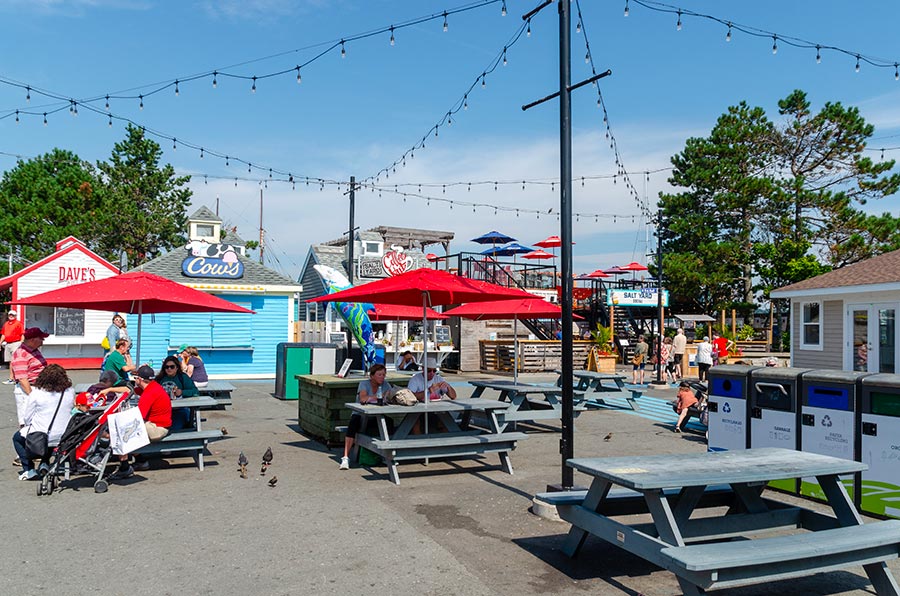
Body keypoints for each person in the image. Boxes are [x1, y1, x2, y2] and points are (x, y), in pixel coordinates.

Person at [12, 364, 75, 480]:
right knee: (50, 435)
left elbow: (27, 418)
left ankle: (29, 469)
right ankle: (44, 463)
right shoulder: (70, 392)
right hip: (64, 434)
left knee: (17, 438)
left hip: (42, 435)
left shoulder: (37, 393)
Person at [111, 365, 172, 478]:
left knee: (123, 432)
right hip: (159, 425)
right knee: (127, 430)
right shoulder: (153, 386)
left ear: (140, 379)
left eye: (136, 378)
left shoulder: (149, 393)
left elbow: (138, 416)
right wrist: (109, 389)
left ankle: (125, 468)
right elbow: (130, 390)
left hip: (157, 428)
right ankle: (141, 460)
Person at [340, 363, 395, 470]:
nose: (382, 377)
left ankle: (388, 455)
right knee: (353, 423)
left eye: (384, 375)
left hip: (376, 415)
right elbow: (363, 398)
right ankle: (345, 457)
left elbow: (390, 396)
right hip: (360, 415)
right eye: (379, 375)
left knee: (389, 422)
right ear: (372, 376)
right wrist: (379, 396)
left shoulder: (385, 384)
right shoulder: (364, 384)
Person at [11, 327, 49, 430]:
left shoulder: (34, 350)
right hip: (28, 391)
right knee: (28, 422)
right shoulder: (20, 354)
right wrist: (33, 396)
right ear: (32, 340)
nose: (43, 341)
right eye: (41, 338)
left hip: (38, 387)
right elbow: (23, 379)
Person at [158, 355, 198, 430]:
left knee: (174, 428)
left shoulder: (183, 377)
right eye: (166, 367)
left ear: (177, 367)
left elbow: (195, 392)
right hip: (163, 410)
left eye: (172, 367)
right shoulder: (160, 378)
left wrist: (182, 392)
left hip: (180, 410)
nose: (169, 369)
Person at [1, 311, 24, 384]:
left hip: (16, 343)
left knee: (15, 361)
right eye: (10, 315)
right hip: (8, 344)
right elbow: (4, 335)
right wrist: (0, 342)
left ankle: (16, 378)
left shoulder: (18, 323)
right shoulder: (6, 324)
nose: (11, 316)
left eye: (13, 315)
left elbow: (22, 334)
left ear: (15, 316)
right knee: (10, 361)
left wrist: (21, 343)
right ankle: (11, 378)